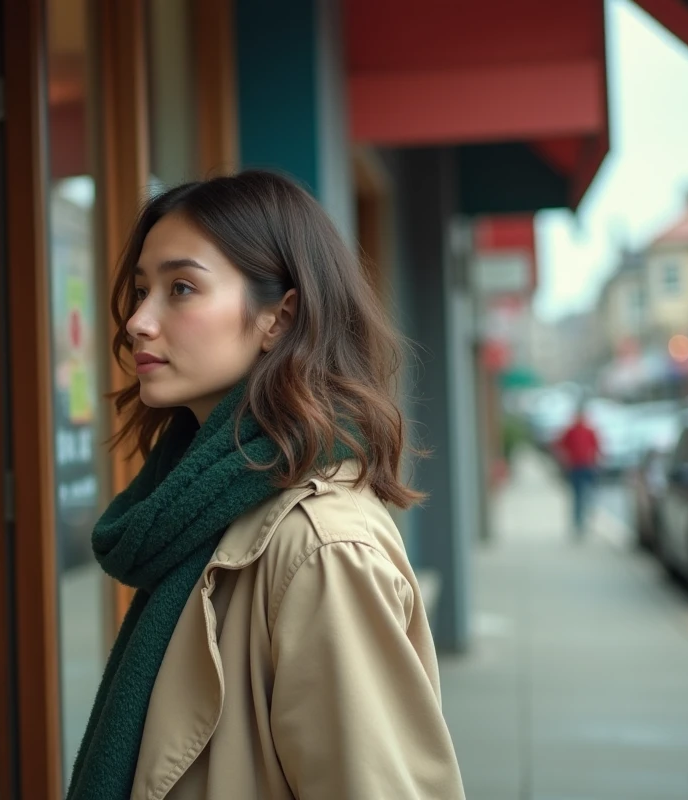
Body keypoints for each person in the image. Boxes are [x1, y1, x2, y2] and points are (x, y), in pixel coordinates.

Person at [66, 171, 464, 800]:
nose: (138, 321)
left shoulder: (321, 548)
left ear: (280, 318)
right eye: (142, 290)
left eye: (182, 288)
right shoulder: (196, 511)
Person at [556, 406, 601, 537]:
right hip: (575, 467)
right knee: (577, 496)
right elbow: (560, 446)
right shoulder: (570, 431)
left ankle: (586, 518)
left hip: (587, 466)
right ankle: (578, 522)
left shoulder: (589, 430)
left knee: (588, 494)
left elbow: (597, 447)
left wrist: (596, 461)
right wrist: (565, 460)